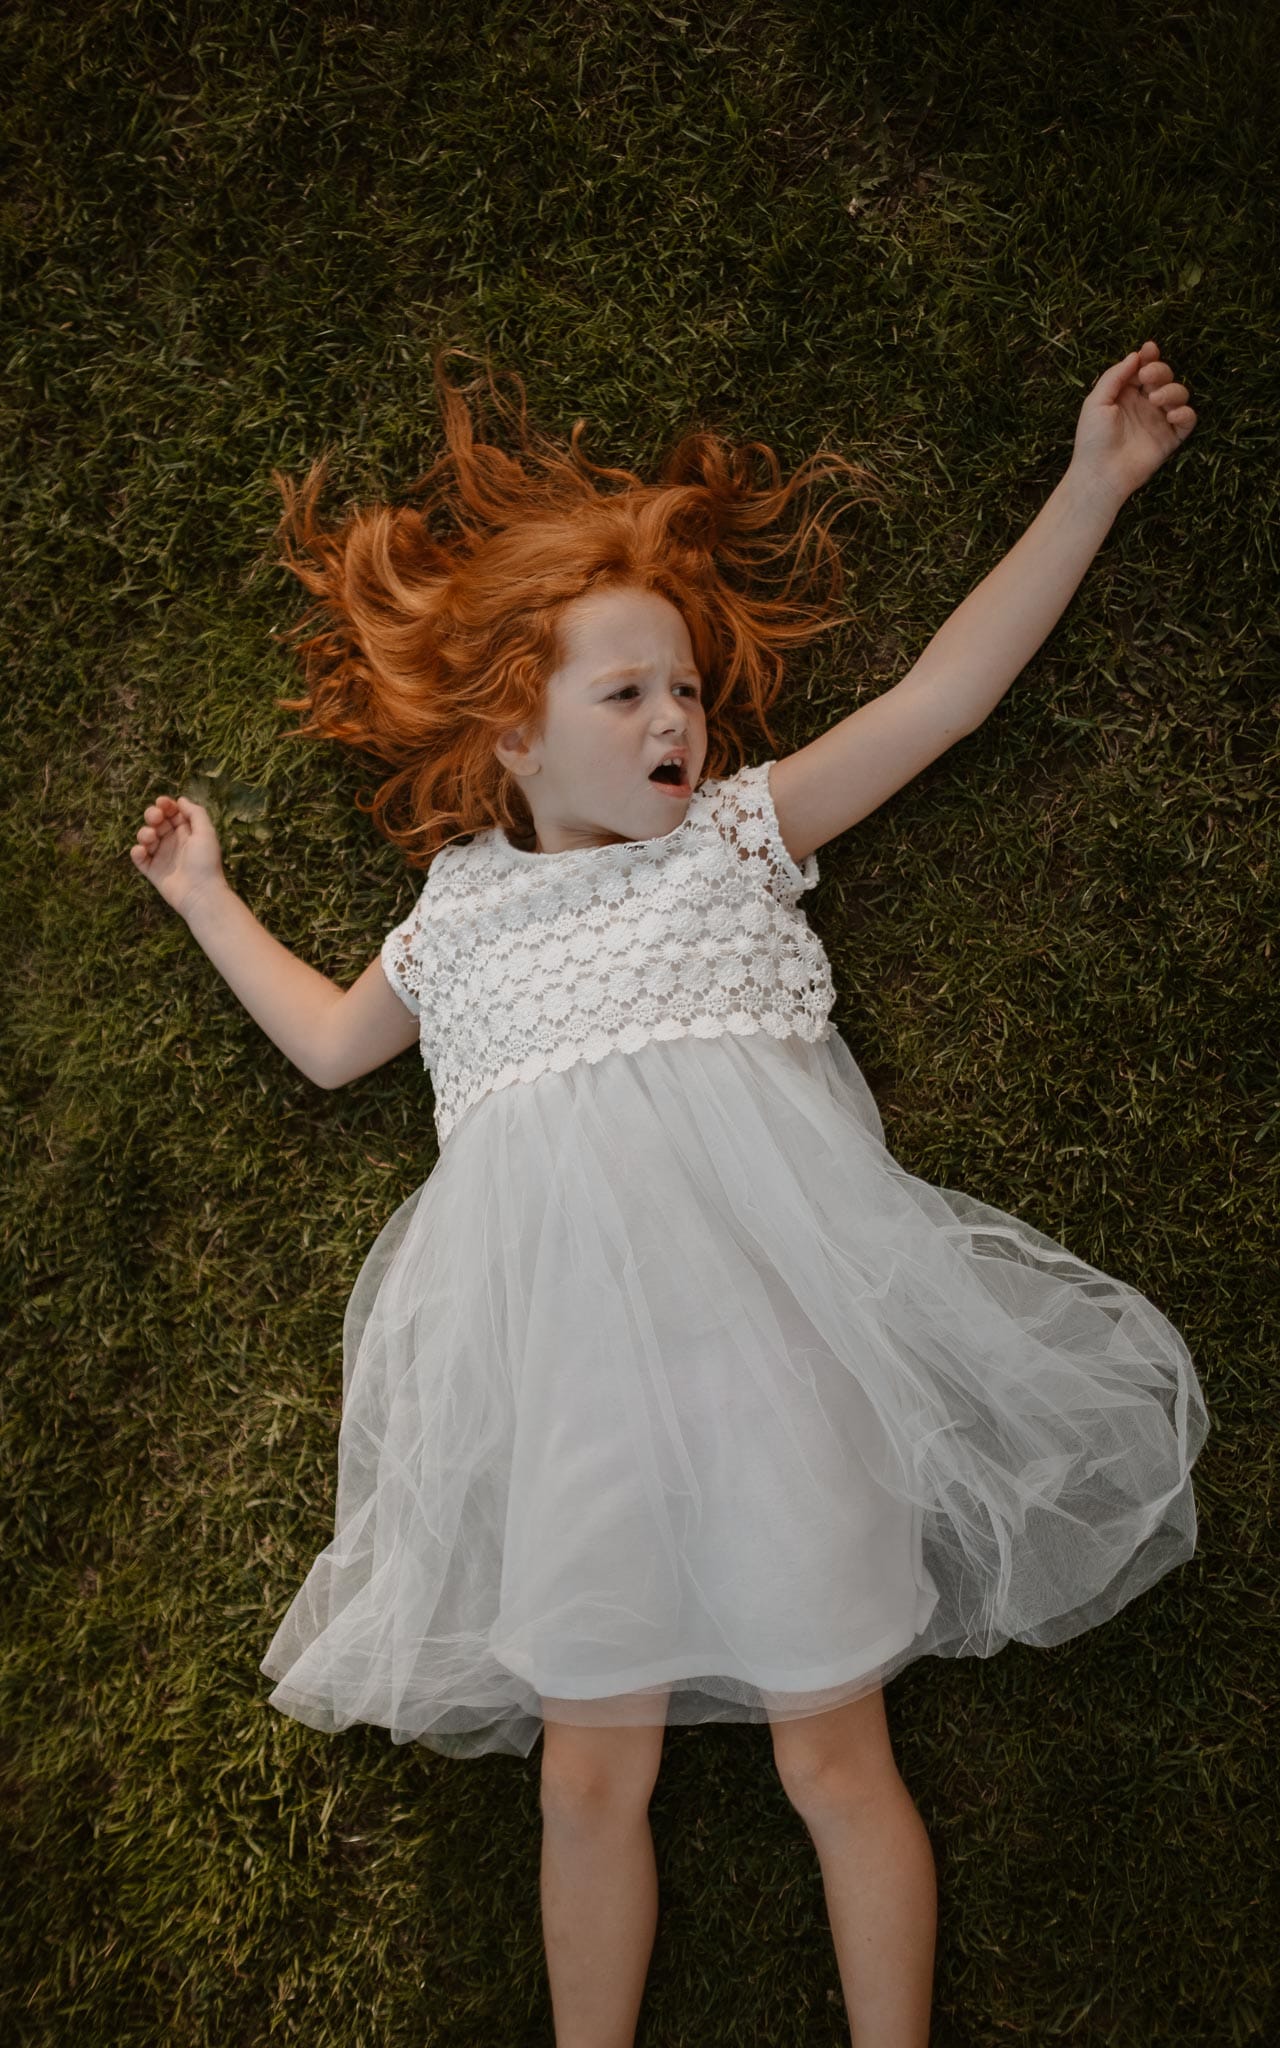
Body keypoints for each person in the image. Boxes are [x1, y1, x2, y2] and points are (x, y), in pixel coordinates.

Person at [129, 343, 1205, 2048]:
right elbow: (338, 1048)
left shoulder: (738, 845)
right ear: (512, 728)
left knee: (837, 1754)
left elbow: (941, 701)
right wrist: (206, 899)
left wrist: (1093, 482)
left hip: (778, 1365)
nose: (677, 723)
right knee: (587, 1780)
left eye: (688, 692)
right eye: (626, 694)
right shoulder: (456, 919)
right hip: (572, 1408)